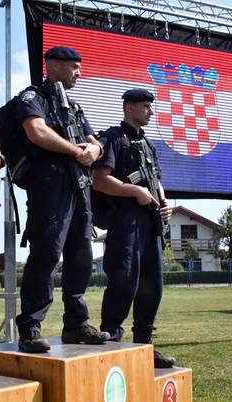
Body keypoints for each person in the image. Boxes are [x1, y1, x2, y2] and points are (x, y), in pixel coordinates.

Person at [14, 46, 110, 353]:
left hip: (79, 188)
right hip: (49, 186)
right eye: (74, 67)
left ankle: (76, 325)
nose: (79, 73)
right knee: (47, 254)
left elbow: (95, 143)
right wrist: (76, 151)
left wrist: (94, 151)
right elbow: (36, 131)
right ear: (53, 65)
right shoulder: (33, 97)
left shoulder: (74, 107)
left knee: (81, 256)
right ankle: (30, 326)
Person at [92, 88, 176, 368]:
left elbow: (156, 179)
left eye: (151, 107)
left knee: (153, 287)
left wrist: (165, 202)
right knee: (124, 282)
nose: (150, 111)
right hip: (125, 222)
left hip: (151, 223)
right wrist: (134, 192)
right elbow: (99, 180)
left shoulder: (148, 144)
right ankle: (113, 344)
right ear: (129, 108)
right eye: (145, 106)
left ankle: (144, 347)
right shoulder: (114, 139)